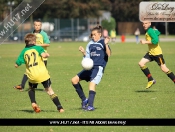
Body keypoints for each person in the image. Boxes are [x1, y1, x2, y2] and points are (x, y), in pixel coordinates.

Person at [14, 33, 64, 113]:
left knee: (31, 88)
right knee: (49, 91)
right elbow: (44, 55)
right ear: (34, 42)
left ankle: (33, 103)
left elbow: (16, 64)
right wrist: (47, 54)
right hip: (42, 74)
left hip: (32, 76)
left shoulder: (23, 51)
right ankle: (60, 108)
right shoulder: (38, 48)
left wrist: (18, 64)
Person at [71, 25, 111, 111]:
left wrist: (106, 44)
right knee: (74, 80)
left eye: (94, 34)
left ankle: (90, 106)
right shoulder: (90, 44)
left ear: (99, 34)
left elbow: (109, 54)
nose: (93, 36)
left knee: (92, 84)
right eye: (92, 35)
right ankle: (85, 100)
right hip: (90, 68)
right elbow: (87, 58)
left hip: (98, 68)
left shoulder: (103, 42)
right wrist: (84, 53)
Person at [14, 19, 50, 91]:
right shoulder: (32, 34)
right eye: (36, 25)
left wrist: (37, 45)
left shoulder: (43, 34)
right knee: (29, 71)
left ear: (41, 26)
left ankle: (47, 88)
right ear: (34, 25)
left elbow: (48, 44)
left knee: (42, 73)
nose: (37, 26)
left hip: (42, 57)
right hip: (32, 56)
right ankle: (22, 85)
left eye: (38, 25)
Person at [138, 21, 175, 89]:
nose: (144, 25)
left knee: (164, 69)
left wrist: (145, 42)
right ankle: (151, 79)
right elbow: (158, 33)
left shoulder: (150, 31)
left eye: (146, 23)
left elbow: (156, 40)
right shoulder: (150, 30)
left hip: (157, 54)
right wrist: (156, 31)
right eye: (143, 23)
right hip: (151, 53)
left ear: (150, 23)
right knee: (141, 63)